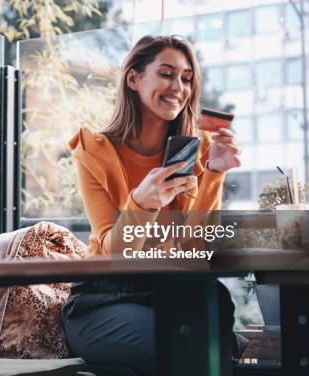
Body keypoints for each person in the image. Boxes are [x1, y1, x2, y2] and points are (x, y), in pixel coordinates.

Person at [61, 35, 244, 376]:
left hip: (167, 293)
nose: (178, 87)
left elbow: (195, 250)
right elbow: (111, 254)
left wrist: (215, 174)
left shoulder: (197, 151)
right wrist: (140, 204)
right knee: (187, 350)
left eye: (186, 78)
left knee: (209, 323)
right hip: (102, 302)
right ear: (133, 79)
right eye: (166, 73)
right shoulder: (95, 151)